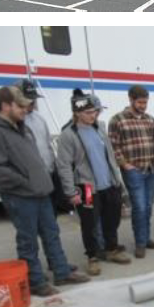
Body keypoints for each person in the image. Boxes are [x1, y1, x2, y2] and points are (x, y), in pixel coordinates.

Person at [0, 86, 90, 296]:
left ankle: (61, 272)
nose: (26, 109)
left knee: (51, 233)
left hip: (41, 191)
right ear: (6, 106)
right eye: (21, 105)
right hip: (20, 196)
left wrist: (42, 180)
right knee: (28, 240)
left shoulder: (22, 127)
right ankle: (35, 281)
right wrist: (26, 182)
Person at [57, 93, 131, 276]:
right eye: (89, 112)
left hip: (109, 184)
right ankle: (92, 257)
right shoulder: (68, 135)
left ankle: (111, 249)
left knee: (112, 219)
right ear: (77, 112)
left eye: (95, 111)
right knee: (89, 224)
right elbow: (64, 165)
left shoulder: (99, 128)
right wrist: (70, 191)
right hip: (87, 188)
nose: (94, 115)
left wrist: (118, 181)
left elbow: (110, 157)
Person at [108, 85, 154, 259]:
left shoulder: (150, 119)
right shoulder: (117, 120)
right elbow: (114, 146)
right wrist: (124, 164)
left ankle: (146, 239)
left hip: (151, 169)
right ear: (130, 99)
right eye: (140, 102)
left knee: (148, 206)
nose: (143, 106)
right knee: (138, 207)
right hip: (134, 171)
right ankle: (140, 243)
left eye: (145, 102)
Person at [16, 78, 68, 216]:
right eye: (29, 100)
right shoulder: (15, 123)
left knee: (51, 219)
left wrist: (52, 167)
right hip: (29, 181)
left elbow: (48, 145)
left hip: (48, 176)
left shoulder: (39, 119)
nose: (32, 103)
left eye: (34, 99)